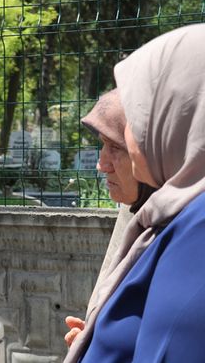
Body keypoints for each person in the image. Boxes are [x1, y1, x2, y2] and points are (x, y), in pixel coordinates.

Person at [66, 23, 205, 362]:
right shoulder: (174, 215)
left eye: (139, 119)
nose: (102, 164)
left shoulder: (197, 233)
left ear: (176, 118)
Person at [64, 89, 155, 346]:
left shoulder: (185, 237)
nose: (101, 164)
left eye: (115, 146)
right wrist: (94, 340)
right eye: (102, 144)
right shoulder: (137, 210)